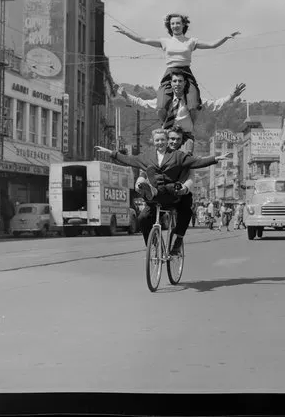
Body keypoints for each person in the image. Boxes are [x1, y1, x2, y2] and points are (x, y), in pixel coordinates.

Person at [95, 128, 231, 254]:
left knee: (179, 199)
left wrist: (214, 159)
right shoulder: (147, 157)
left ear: (166, 141)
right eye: (158, 140)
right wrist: (112, 153)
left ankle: (177, 239)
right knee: (142, 218)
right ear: (153, 142)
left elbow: (196, 162)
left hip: (175, 194)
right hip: (156, 197)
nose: (162, 142)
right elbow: (130, 160)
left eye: (163, 140)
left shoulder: (179, 156)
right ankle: (153, 243)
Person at [113, 14, 240, 123]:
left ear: (183, 24)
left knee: (194, 104)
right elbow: (143, 40)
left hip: (186, 72)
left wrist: (225, 38)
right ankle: (166, 125)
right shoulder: (165, 41)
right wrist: (126, 33)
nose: (175, 26)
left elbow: (212, 45)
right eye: (173, 23)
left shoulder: (191, 41)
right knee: (161, 104)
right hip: (170, 72)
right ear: (170, 26)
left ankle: (190, 127)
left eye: (178, 23)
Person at [116, 70, 246, 154]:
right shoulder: (163, 101)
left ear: (185, 84)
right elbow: (142, 104)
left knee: (187, 158)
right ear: (171, 84)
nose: (177, 84)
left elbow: (215, 105)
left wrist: (232, 95)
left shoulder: (193, 101)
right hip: (167, 135)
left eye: (180, 81)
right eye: (174, 81)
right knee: (155, 159)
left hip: (185, 137)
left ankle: (183, 187)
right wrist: (126, 95)